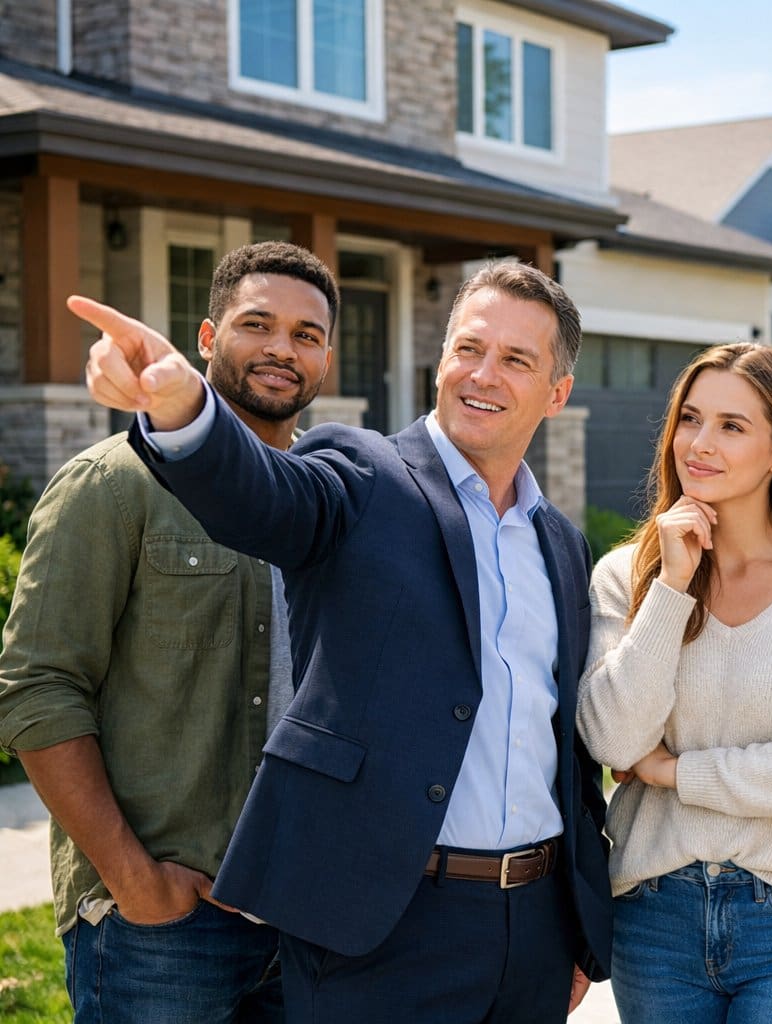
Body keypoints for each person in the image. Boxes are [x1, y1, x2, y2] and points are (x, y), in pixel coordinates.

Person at [70, 259, 610, 1024]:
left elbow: (565, 742)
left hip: (533, 932)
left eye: (516, 359)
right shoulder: (360, 473)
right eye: (468, 348)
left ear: (556, 393)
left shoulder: (561, 543)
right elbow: (261, 498)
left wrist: (570, 924)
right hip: (383, 929)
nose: (481, 374)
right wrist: (182, 405)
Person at [0, 240, 336, 1023]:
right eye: (259, 324)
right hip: (166, 927)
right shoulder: (112, 485)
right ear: (208, 339)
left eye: (308, 335)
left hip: (307, 921)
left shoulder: (330, 502)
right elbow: (38, 689)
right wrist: (133, 881)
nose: (283, 349)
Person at [576, 342, 772, 1024]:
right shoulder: (626, 575)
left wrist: (669, 773)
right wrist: (673, 586)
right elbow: (613, 738)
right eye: (690, 418)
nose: (700, 443)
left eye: (732, 426)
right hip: (653, 916)